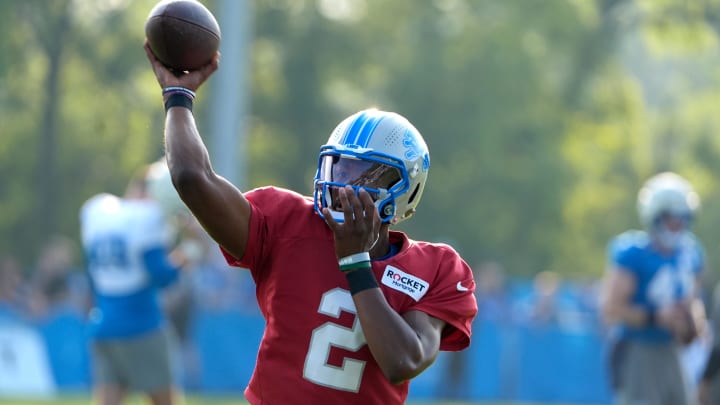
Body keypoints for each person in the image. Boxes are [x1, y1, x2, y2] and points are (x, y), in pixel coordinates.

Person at [144, 43, 478, 404]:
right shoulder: (286, 221)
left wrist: (355, 263)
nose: (344, 185)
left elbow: (403, 360)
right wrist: (179, 97)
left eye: (363, 175)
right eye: (340, 167)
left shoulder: (438, 268)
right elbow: (194, 178)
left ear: (403, 190)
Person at [79, 159, 194, 405]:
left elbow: (92, 274)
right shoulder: (144, 218)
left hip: (103, 325)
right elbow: (162, 276)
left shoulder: (99, 210)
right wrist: (189, 253)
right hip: (141, 326)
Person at [600, 172, 707, 405]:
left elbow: (692, 301)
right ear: (656, 217)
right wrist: (655, 316)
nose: (678, 225)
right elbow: (611, 309)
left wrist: (694, 324)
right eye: (672, 218)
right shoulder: (634, 253)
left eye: (683, 218)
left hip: (672, 349)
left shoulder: (690, 254)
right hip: (639, 348)